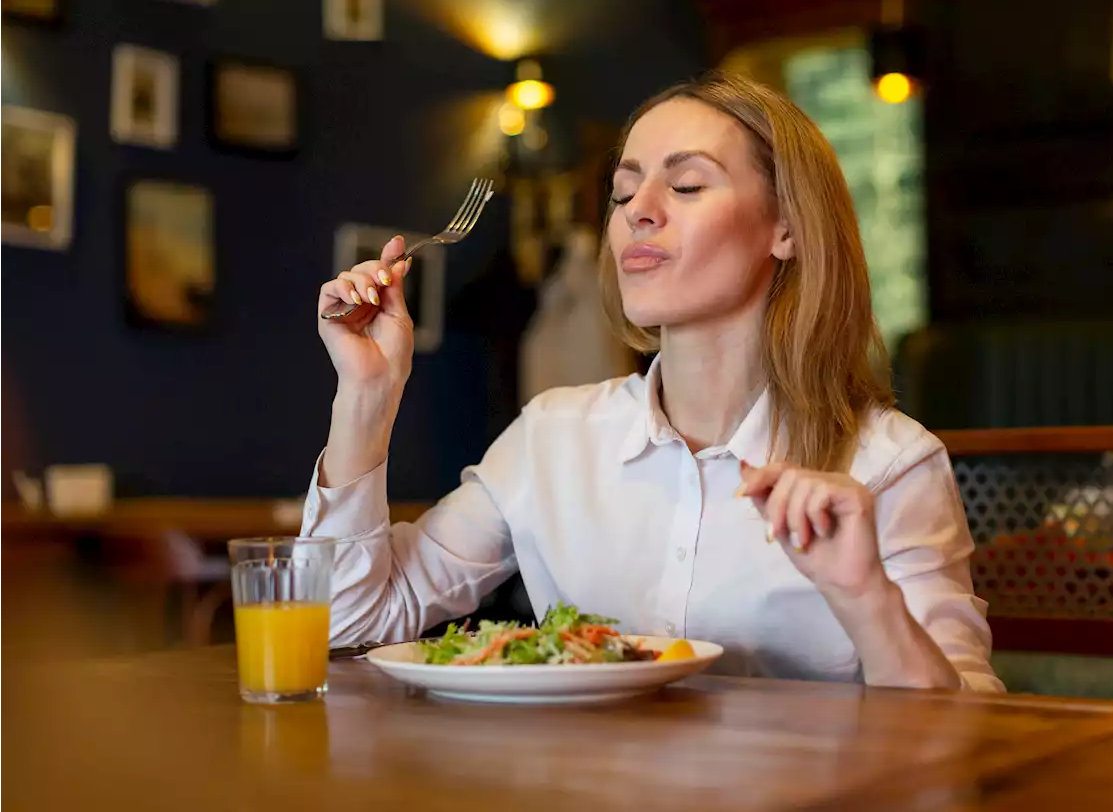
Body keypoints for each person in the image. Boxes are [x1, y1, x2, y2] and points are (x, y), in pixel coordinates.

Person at [306, 70, 1003, 691]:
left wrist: (866, 597)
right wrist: (366, 395)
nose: (639, 207)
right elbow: (347, 623)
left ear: (785, 229)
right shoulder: (552, 436)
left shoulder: (891, 465)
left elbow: (964, 738)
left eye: (688, 183)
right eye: (623, 190)